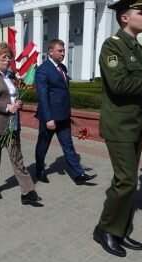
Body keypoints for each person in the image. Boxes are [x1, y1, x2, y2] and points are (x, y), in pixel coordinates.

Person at [93, 0, 142, 257]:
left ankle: (119, 230)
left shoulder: (137, 47)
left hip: (135, 125)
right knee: (127, 181)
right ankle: (105, 230)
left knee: (125, 181)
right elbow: (119, 85)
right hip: (119, 126)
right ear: (124, 17)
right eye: (140, 12)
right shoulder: (112, 45)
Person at [0, 42, 42, 206]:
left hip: (12, 124)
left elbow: (13, 97)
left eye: (9, 57)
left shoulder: (10, 76)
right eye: (4, 57)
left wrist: (18, 103)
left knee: (17, 158)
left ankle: (27, 192)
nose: (8, 60)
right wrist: (7, 107)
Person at [34, 39, 97, 185]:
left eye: (63, 50)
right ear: (50, 51)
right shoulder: (43, 69)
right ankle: (39, 169)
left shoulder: (62, 68)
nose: (63, 53)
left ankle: (78, 174)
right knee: (43, 145)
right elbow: (42, 96)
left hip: (63, 116)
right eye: (60, 51)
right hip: (49, 118)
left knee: (68, 145)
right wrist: (49, 118)